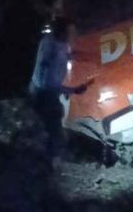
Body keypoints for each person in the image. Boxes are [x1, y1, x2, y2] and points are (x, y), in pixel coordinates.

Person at [28, 16, 89, 160]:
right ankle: (47, 161)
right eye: (71, 32)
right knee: (54, 132)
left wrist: (73, 56)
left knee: (50, 130)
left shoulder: (56, 43)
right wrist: (73, 90)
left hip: (44, 93)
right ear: (62, 32)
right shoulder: (50, 48)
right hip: (44, 96)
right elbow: (48, 84)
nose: (74, 35)